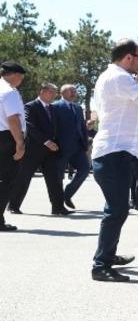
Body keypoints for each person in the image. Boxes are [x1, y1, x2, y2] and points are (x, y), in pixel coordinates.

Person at [90, 39, 138, 281]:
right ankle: (101, 265)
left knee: (117, 209)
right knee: (116, 210)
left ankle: (107, 255)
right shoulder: (119, 78)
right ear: (129, 58)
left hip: (115, 152)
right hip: (114, 153)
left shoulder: (113, 77)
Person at [8, 83, 67, 215]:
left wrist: (56, 144)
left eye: (55, 92)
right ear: (43, 91)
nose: (54, 95)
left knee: (54, 179)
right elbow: (30, 126)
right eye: (52, 92)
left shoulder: (53, 109)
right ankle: (13, 205)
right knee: (23, 178)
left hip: (50, 151)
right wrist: (46, 141)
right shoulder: (30, 106)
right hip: (33, 150)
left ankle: (58, 208)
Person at [53, 84, 91, 210]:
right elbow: (52, 126)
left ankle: (67, 194)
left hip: (78, 147)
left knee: (85, 169)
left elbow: (82, 127)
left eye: (75, 91)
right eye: (71, 91)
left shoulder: (78, 108)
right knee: (57, 176)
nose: (74, 93)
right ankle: (57, 204)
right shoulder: (55, 106)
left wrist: (85, 143)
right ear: (62, 93)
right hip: (61, 147)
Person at [0, 61, 27, 231]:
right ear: (16, 75)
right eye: (21, 77)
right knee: (7, 180)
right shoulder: (9, 92)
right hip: (7, 138)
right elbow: (13, 119)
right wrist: (19, 143)